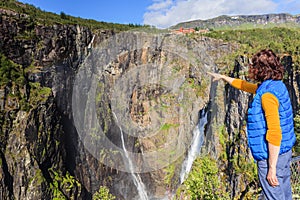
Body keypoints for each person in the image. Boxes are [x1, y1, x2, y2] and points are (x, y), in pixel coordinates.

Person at [208, 49, 296, 200]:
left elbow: (274, 133)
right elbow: (245, 86)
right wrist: (223, 77)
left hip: (271, 157)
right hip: (285, 153)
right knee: (285, 193)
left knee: (273, 196)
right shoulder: (276, 86)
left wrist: (272, 168)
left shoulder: (267, 96)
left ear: (259, 69)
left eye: (253, 66)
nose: (251, 69)